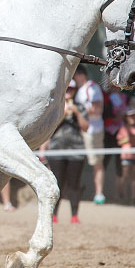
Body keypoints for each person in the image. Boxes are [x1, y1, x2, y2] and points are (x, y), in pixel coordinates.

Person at [40, 80, 88, 223]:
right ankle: (54, 215)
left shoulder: (80, 107)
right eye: (67, 89)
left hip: (76, 150)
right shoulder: (55, 108)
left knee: (74, 185)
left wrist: (77, 113)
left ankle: (74, 215)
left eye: (72, 89)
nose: (69, 92)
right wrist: (63, 114)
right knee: (57, 184)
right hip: (57, 150)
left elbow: (86, 127)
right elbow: (49, 128)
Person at [74, 67, 106, 204]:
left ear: (80, 75)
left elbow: (97, 110)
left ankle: (99, 193)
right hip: (79, 131)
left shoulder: (92, 88)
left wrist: (77, 111)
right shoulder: (78, 90)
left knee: (96, 162)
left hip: (93, 131)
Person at [116, 107, 135, 204]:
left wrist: (134, 138)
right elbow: (119, 141)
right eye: (130, 116)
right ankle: (123, 196)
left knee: (134, 176)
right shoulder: (123, 129)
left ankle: (133, 197)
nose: (132, 118)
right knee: (125, 175)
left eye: (134, 116)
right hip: (126, 155)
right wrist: (127, 139)